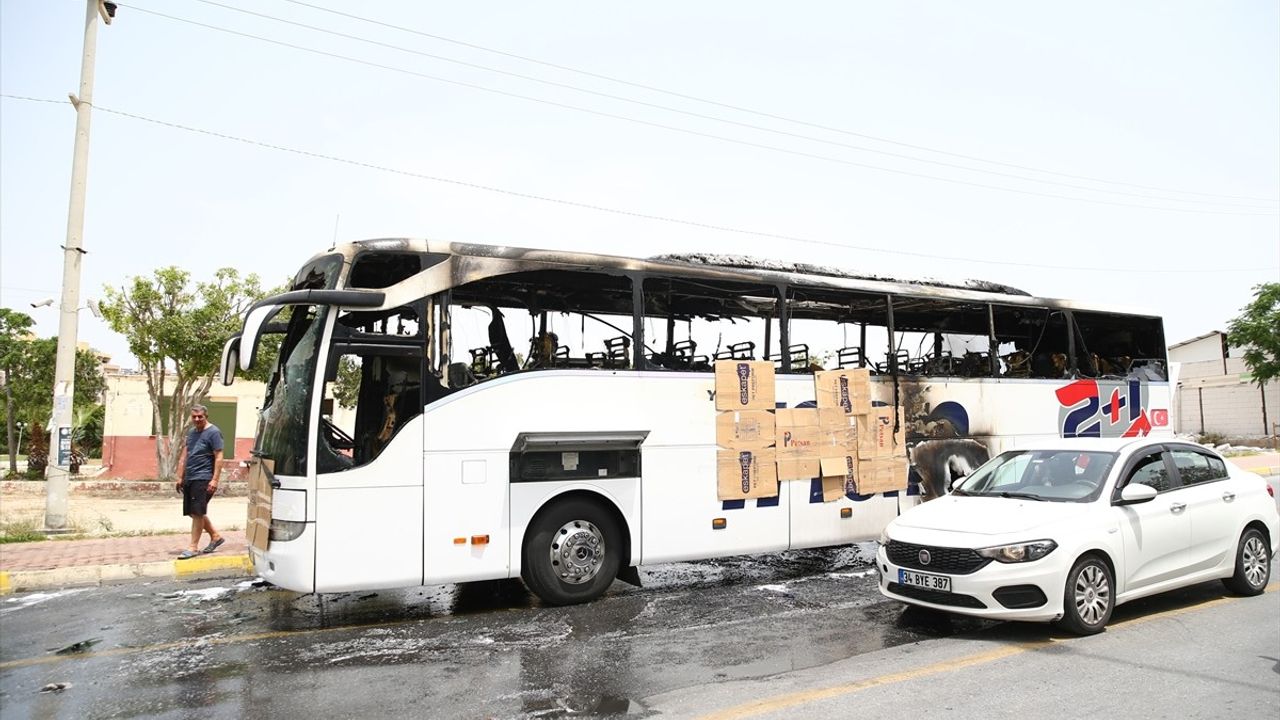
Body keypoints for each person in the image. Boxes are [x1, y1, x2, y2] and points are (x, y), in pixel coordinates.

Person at [176, 404, 226, 559]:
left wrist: (215, 480)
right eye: (194, 417)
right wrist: (180, 476)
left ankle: (193, 547)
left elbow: (219, 457)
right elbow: (186, 456)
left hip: (204, 477)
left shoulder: (214, 432)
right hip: (190, 477)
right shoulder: (191, 433)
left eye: (200, 417)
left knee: (197, 512)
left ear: (206, 416)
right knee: (193, 511)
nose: (197, 419)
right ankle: (215, 536)